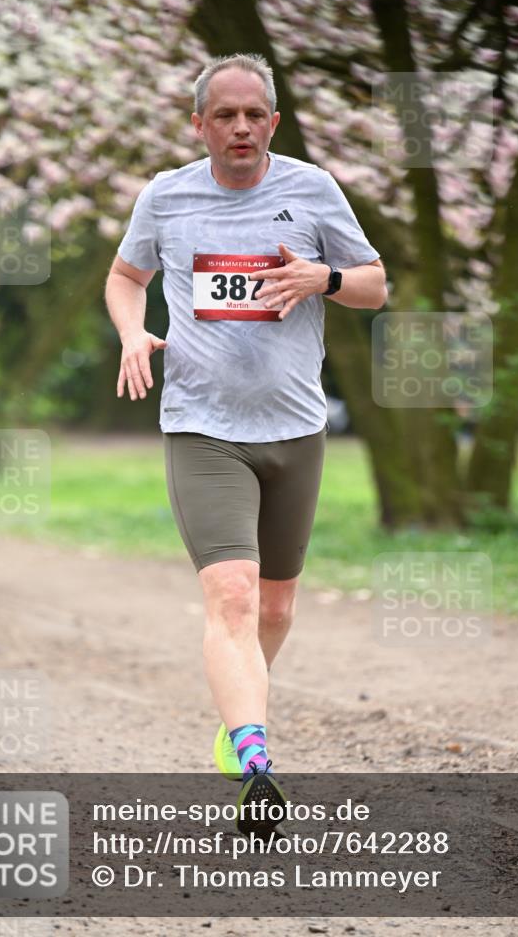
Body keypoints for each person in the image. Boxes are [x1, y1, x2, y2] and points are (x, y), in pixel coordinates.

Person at [105, 53, 386, 838]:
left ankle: (236, 720)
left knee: (275, 602)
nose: (238, 127)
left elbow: (374, 283)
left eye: (251, 114)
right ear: (199, 125)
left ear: (272, 121)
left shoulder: (312, 190)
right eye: (222, 115)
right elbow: (125, 277)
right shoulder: (167, 196)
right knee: (229, 594)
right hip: (202, 427)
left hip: (294, 428)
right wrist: (134, 331)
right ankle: (255, 759)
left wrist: (321, 280)